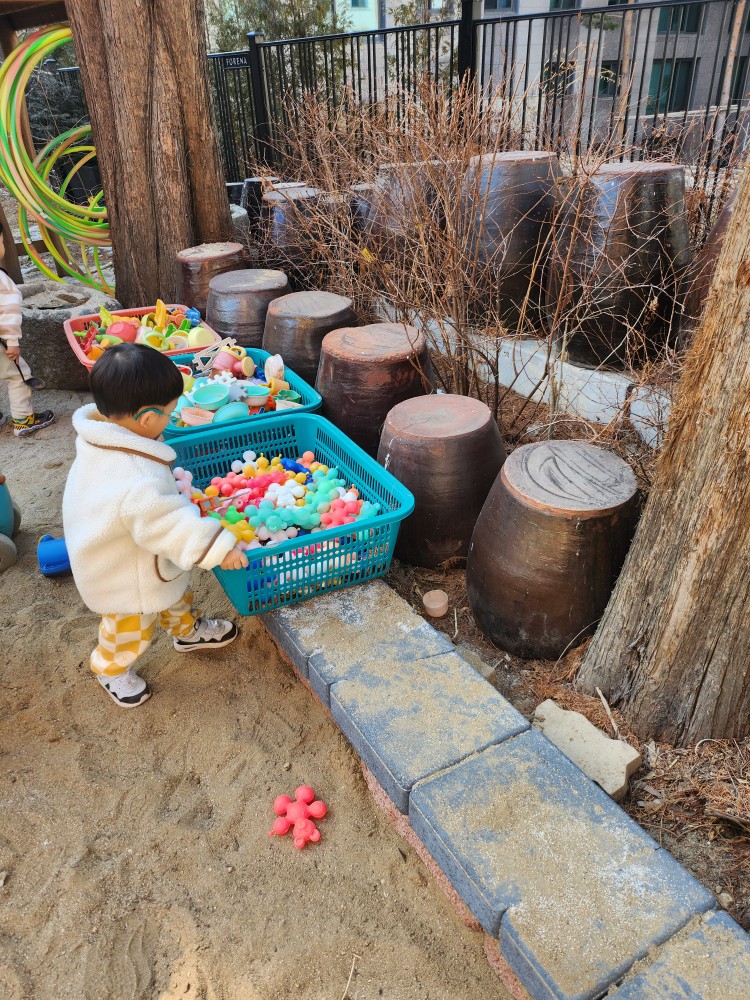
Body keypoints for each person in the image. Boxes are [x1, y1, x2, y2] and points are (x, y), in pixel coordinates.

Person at [63, 343, 249, 708]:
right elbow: (167, 523)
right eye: (168, 414)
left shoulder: (107, 437)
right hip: (122, 572)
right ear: (147, 419)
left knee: (175, 593)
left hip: (141, 556)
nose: (169, 420)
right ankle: (110, 669)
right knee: (128, 628)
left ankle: (187, 632)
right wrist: (220, 547)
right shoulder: (135, 479)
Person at [0, 219, 56, 435]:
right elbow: (7, 314)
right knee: (18, 375)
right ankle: (24, 420)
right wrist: (12, 342)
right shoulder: (3, 282)